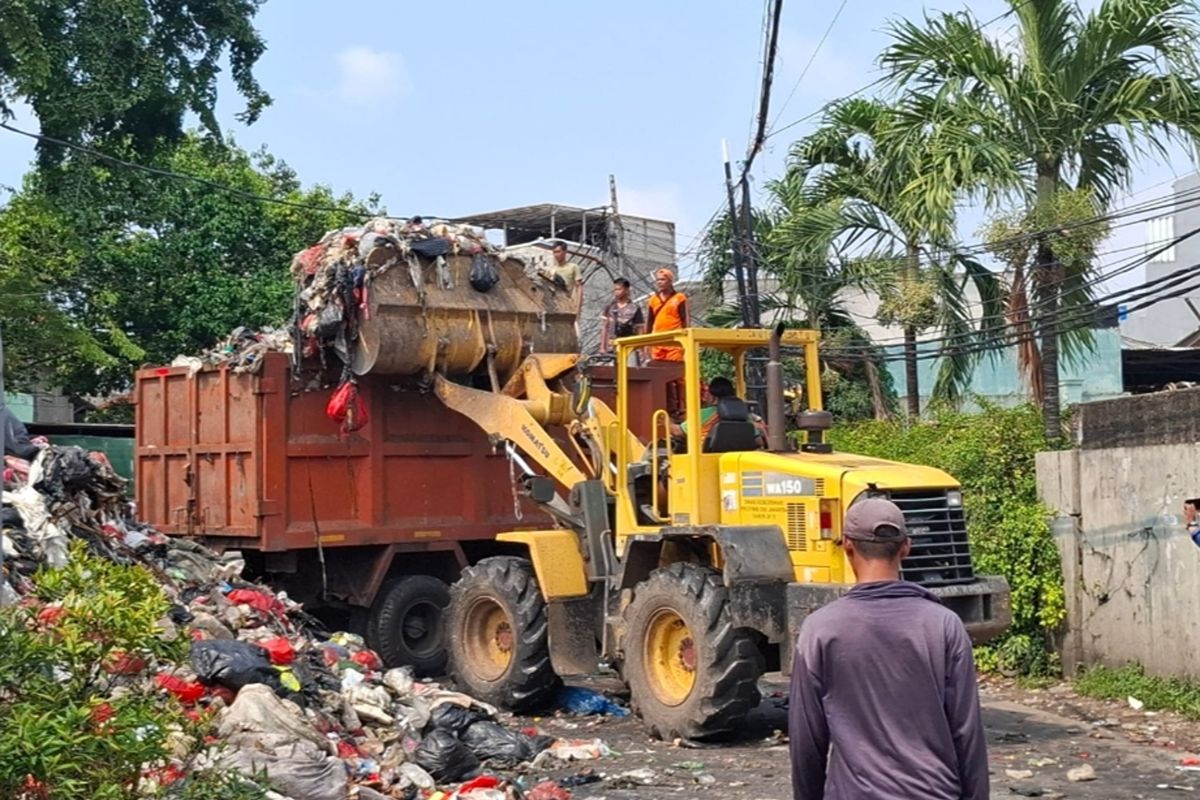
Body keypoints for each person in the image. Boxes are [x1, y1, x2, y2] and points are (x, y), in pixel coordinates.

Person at [789, 497, 989, 800]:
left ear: (847, 546)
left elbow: (807, 742)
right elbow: (968, 733)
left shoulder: (820, 630)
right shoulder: (944, 625)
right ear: (905, 548)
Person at [645, 267, 687, 362]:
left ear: (670, 281)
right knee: (659, 372)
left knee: (675, 371)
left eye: (663, 279)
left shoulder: (679, 298)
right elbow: (649, 322)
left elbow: (685, 320)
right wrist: (646, 342)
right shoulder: (653, 299)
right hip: (658, 342)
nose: (659, 282)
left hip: (675, 342)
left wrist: (686, 340)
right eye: (658, 280)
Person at [600, 277, 645, 357]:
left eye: (619, 289)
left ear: (626, 290)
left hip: (629, 347)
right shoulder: (610, 307)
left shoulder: (634, 308)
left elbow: (640, 329)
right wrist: (602, 347)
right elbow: (605, 328)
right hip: (612, 347)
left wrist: (641, 349)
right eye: (615, 290)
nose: (616, 292)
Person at [541, 241, 584, 318]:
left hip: (567, 304)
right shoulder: (551, 270)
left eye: (558, 252)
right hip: (553, 306)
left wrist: (578, 308)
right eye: (554, 252)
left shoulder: (573, 267)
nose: (556, 255)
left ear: (565, 252)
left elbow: (579, 288)